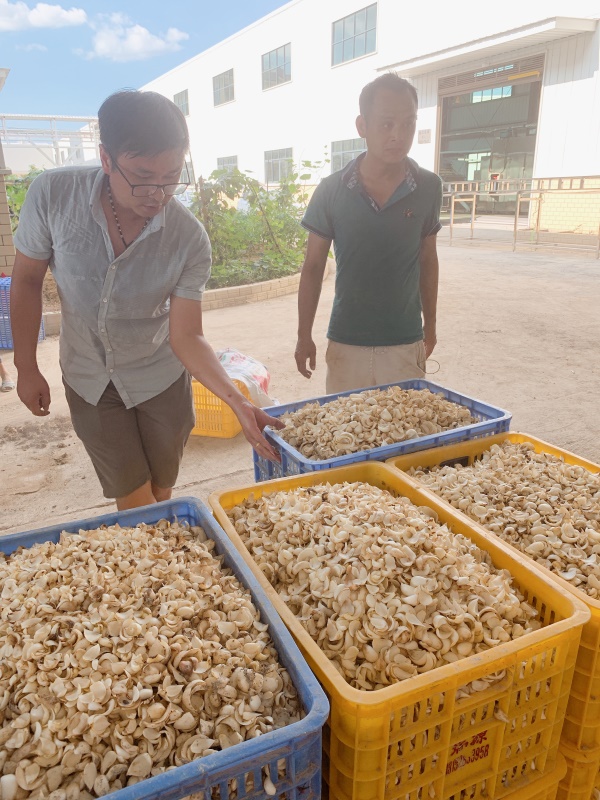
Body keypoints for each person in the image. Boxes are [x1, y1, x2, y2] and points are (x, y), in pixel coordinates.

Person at [11, 89, 281, 510]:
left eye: (171, 176)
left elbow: (188, 336)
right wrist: (25, 366)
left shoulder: (188, 238)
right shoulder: (53, 196)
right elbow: (26, 280)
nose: (157, 192)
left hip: (160, 378)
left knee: (161, 489)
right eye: (141, 175)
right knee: (136, 503)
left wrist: (241, 403)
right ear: (106, 159)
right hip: (90, 378)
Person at [295, 72, 442, 394]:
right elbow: (313, 266)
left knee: (407, 437)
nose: (398, 135)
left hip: (404, 341)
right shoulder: (331, 190)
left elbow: (427, 259)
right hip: (348, 341)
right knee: (347, 437)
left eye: (408, 124)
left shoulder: (428, 187)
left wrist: (429, 327)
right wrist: (303, 335)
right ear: (362, 126)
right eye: (386, 123)